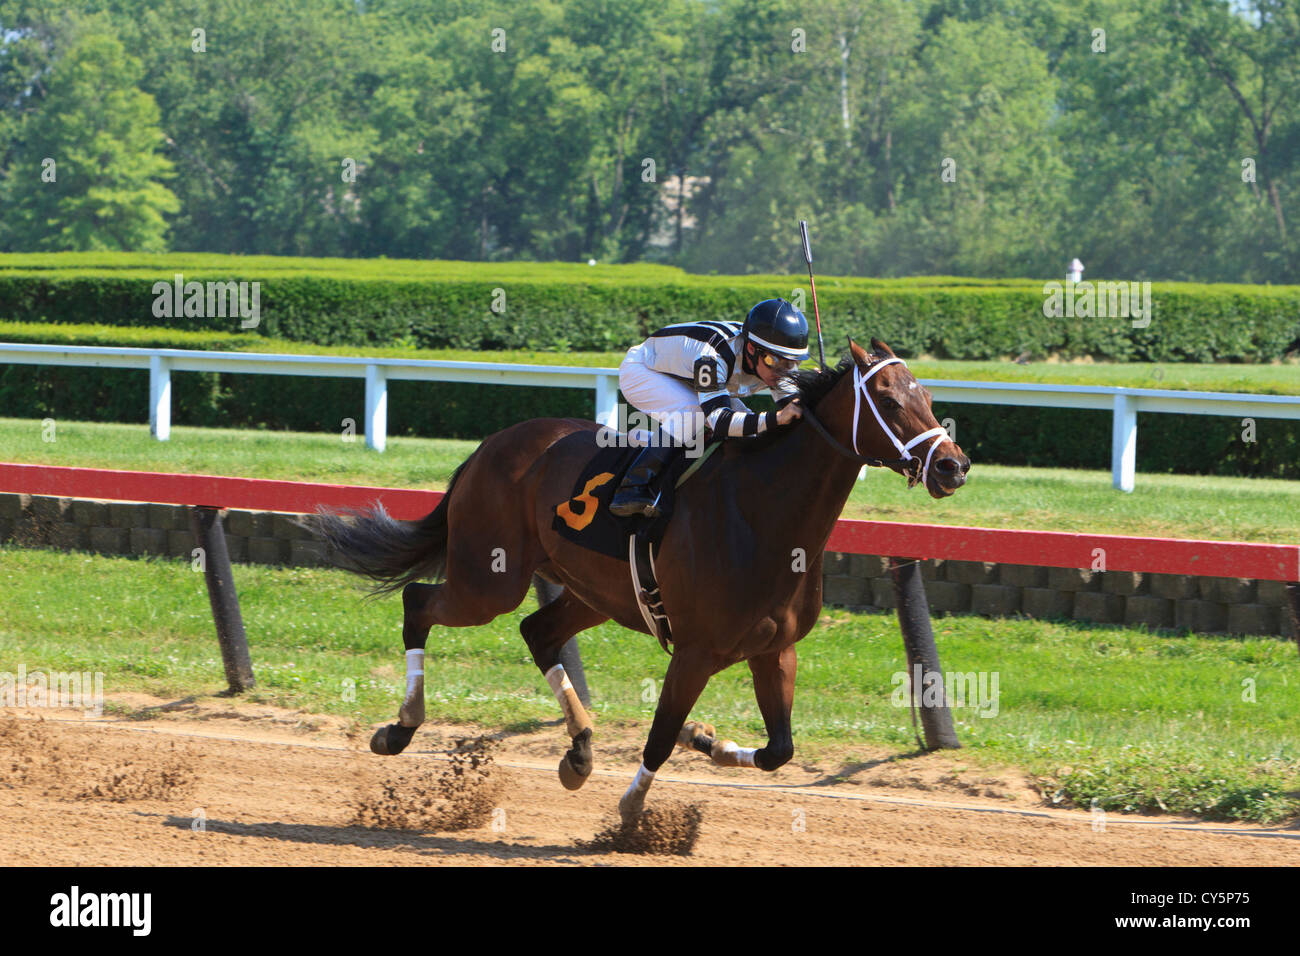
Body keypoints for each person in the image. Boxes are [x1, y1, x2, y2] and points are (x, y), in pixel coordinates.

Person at [608, 298, 809, 518]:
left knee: (748, 426)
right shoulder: (712, 356)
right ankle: (632, 486)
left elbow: (795, 409)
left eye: (790, 364)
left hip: (687, 377)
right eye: (773, 361)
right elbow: (720, 421)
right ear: (751, 348)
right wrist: (776, 418)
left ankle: (646, 440)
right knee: (694, 412)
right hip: (643, 370)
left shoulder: (774, 360)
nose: (781, 373)